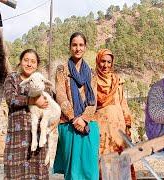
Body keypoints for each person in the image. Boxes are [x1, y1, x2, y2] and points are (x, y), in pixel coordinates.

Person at [53, 32, 100, 180]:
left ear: (85, 47)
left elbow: (93, 101)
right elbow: (60, 95)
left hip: (88, 124)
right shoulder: (62, 70)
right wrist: (74, 118)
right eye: (74, 45)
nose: (77, 48)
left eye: (81, 45)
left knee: (90, 170)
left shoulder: (92, 73)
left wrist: (84, 118)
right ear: (70, 47)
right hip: (69, 124)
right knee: (72, 171)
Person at [3, 49, 49, 179]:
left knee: (37, 171)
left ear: (37, 65)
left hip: (37, 135)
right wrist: (33, 100)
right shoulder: (12, 78)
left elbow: (48, 104)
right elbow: (10, 99)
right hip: (17, 136)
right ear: (20, 61)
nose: (29, 64)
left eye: (33, 61)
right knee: (15, 171)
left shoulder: (40, 81)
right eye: (26, 60)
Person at [94, 49, 136, 179]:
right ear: (98, 61)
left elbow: (123, 104)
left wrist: (128, 125)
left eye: (108, 62)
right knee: (103, 164)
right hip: (101, 131)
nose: (105, 65)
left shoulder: (117, 82)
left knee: (121, 162)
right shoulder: (91, 81)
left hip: (118, 129)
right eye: (103, 61)